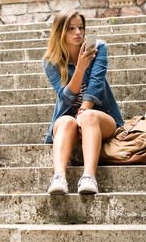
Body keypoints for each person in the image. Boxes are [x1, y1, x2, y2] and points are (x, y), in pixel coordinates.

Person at [43, 10, 123, 195]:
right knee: (64, 121)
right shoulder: (51, 62)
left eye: (81, 27)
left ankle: (89, 177)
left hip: (101, 119)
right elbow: (66, 97)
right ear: (60, 32)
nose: (78, 32)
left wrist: (84, 111)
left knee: (87, 116)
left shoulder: (98, 48)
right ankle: (59, 177)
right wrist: (80, 67)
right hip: (69, 123)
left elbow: (96, 84)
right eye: (71, 28)